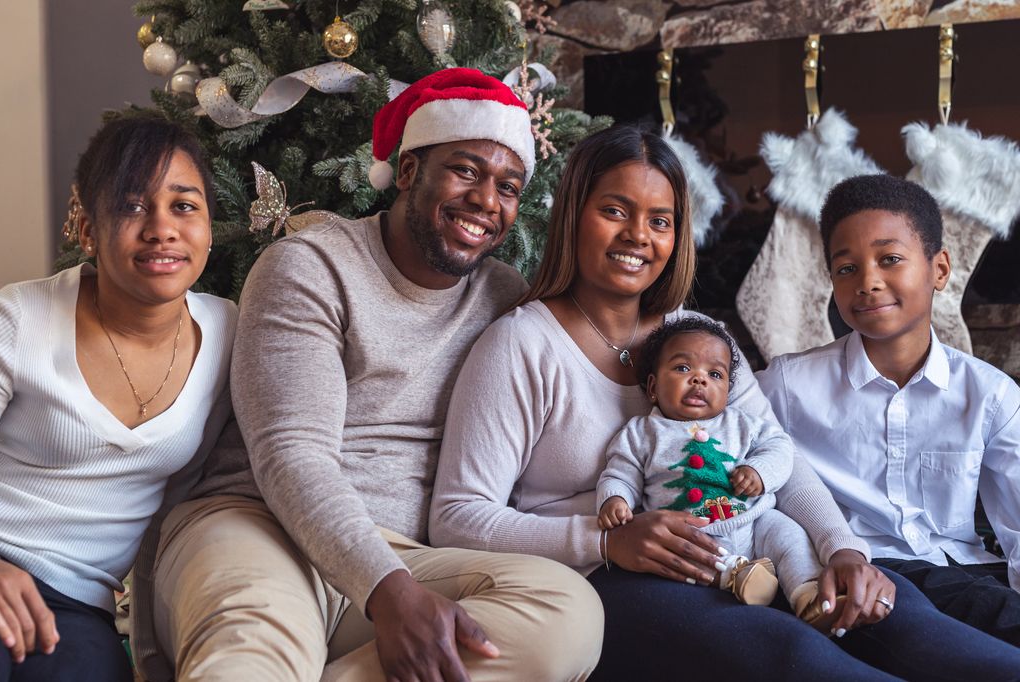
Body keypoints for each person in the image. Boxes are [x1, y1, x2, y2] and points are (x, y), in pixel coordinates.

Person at [430, 124, 1020, 680]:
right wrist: (603, 538)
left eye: (660, 219)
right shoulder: (520, 345)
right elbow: (456, 516)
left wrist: (844, 550)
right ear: (573, 216)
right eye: (614, 211)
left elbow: (779, 457)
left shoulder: (700, 336)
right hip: (604, 579)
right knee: (790, 649)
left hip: (748, 545)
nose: (639, 234)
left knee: (900, 611)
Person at [135, 68, 603, 682]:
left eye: (508, 186)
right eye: (465, 170)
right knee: (249, 657)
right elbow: (291, 457)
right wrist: (389, 593)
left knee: (565, 612)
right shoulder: (309, 267)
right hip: (259, 524)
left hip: (409, 556)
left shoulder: (503, 297)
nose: (488, 201)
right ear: (408, 171)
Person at [0, 113, 235, 681]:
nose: (161, 229)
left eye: (183, 206)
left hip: (78, 610)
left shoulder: (234, 335)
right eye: (132, 206)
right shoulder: (18, 319)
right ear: (87, 230)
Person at [757, 173, 1020, 646]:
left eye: (890, 259)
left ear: (940, 270)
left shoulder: (990, 395)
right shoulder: (787, 386)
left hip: (966, 573)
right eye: (846, 269)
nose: (868, 282)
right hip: (858, 575)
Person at [597, 317, 840, 627]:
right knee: (684, 562)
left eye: (714, 374)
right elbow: (620, 473)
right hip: (690, 531)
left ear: (727, 390)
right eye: (683, 368)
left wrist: (759, 471)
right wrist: (614, 500)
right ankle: (736, 578)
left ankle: (808, 593)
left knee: (790, 537)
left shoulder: (742, 424)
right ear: (653, 387)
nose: (700, 380)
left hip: (755, 520)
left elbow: (780, 448)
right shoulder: (641, 433)